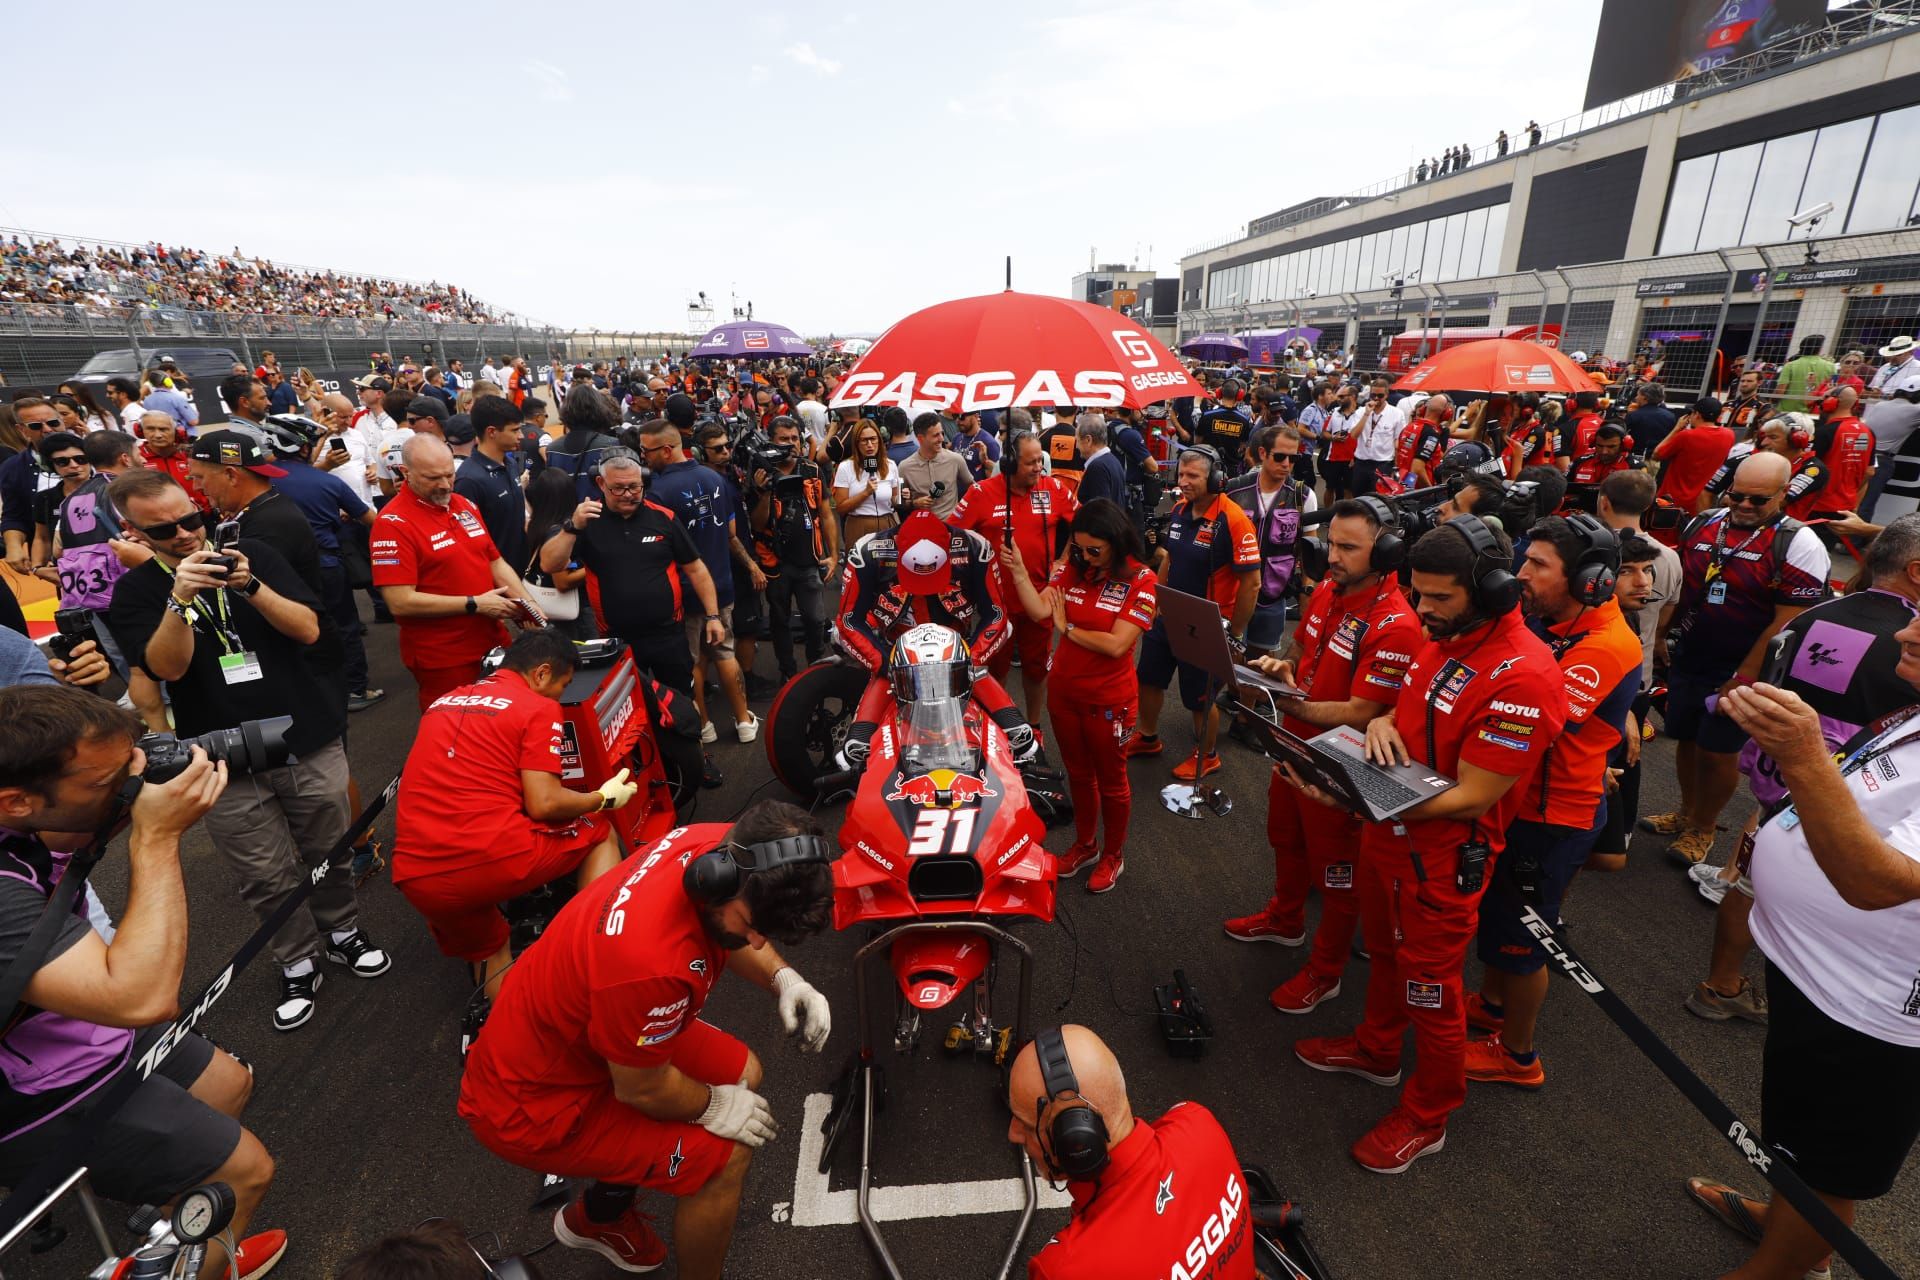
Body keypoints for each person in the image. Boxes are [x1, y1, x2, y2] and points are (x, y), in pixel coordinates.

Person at [458, 801, 837, 1280]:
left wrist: (786, 979)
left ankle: (601, 1215)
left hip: (583, 1031)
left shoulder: (720, 846)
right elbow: (641, 1089)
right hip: (532, 1100)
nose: (760, 944)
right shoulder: (649, 965)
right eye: (753, 927)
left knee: (744, 1074)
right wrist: (712, 1108)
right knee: (724, 1158)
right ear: (719, 881)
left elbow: (729, 930)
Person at [1287, 516, 1563, 1172]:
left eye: (1440, 598)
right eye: (1417, 593)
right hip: (1390, 836)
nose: (1423, 610)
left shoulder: (1523, 675)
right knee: (1383, 954)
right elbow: (1407, 719)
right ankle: (1378, 1051)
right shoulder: (1444, 641)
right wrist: (1381, 727)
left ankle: (1429, 1112)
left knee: (1431, 991)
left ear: (1491, 590)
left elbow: (1473, 795)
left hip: (1440, 862)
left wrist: (1358, 791)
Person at [0, 687, 289, 1280]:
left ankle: (181, 1238)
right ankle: (178, 1265)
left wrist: (128, 789)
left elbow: (64, 841)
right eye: (112, 778)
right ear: (17, 802)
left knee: (226, 1084)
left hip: (64, 1027)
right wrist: (157, 836)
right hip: (27, 1090)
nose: (137, 781)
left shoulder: (28, 820)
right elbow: (140, 998)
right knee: (243, 1172)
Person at [105, 468, 392, 1032]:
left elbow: (309, 630)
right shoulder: (138, 593)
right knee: (262, 871)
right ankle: (297, 958)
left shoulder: (256, 553)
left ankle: (342, 930)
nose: (186, 535)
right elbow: (167, 667)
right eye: (164, 531)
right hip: (220, 752)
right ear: (133, 532)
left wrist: (251, 587)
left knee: (330, 844)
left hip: (304, 731)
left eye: (191, 518)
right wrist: (182, 600)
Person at [1683, 655, 1920, 1280]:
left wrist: (1805, 755)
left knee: (1828, 1165)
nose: (1904, 628)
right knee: (1799, 1137)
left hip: (1867, 1009)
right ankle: (1790, 1219)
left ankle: (1789, 1263)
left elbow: (1876, 882)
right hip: (1818, 974)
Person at [1464, 515, 1640, 1089]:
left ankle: (1517, 1056)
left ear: (1588, 579)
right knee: (1500, 921)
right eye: (1525, 559)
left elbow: (1535, 720)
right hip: (1524, 808)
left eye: (1538, 565)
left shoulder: (1605, 644)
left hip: (1552, 818)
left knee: (1524, 941)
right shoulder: (1558, 625)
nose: (1522, 574)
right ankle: (1492, 1005)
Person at [1228, 497, 1423, 1012]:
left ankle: (1326, 971)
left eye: (1347, 547)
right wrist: (1277, 665)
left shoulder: (1397, 624)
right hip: (1294, 741)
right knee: (1285, 839)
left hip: (1341, 768)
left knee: (1338, 879)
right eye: (1331, 542)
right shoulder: (1329, 591)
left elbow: (1363, 711)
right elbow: (1299, 648)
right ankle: (1286, 919)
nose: (1331, 555)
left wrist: (1283, 700)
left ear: (1383, 552)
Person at [393, 631, 629, 995]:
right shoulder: (537, 706)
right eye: (562, 686)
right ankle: (599, 955)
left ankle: (497, 1034)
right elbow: (545, 803)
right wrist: (600, 798)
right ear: (541, 674)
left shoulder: (444, 702)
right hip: (491, 858)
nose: (561, 697)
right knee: (598, 828)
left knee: (492, 947)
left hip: (417, 875)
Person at [1644, 453, 1830, 865]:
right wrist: (1660, 638)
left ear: (1783, 494)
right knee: (1687, 739)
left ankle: (1704, 828)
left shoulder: (1798, 543)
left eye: (1758, 500)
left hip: (1745, 669)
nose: (1745, 506)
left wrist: (1742, 677)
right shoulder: (1704, 522)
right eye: (1738, 496)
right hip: (1690, 655)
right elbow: (1682, 589)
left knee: (1717, 751)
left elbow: (1788, 622)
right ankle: (1686, 813)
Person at [1006, 1025, 1255, 1280]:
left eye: (1025, 1124)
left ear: (1077, 1141)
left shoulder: (1065, 1270)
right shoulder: (1197, 1121)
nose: (1012, 1134)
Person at [998, 500, 1154, 890]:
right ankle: (1086, 845)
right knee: (1079, 776)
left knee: (1112, 780)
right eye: (1080, 548)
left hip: (1110, 701)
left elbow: (1118, 645)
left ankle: (1113, 856)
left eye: (1094, 550)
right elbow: (1038, 611)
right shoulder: (1073, 569)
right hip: (1064, 695)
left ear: (1117, 542)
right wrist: (1018, 570)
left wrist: (1066, 629)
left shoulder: (1142, 579)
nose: (1085, 557)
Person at [835, 509, 1032, 768]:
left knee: (1025, 743)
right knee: (852, 755)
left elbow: (997, 616)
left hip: (959, 655)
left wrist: (967, 660)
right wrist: (884, 665)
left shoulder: (975, 546)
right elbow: (847, 622)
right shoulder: (867, 550)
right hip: (895, 656)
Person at [374, 435, 541, 710]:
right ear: (405, 473)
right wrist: (475, 604)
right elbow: (399, 601)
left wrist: (529, 605)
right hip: (444, 657)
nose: (443, 485)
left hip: (493, 641)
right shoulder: (393, 523)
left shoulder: (464, 504)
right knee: (459, 730)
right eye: (432, 478)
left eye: (449, 475)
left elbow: (494, 561)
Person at [542, 449, 722, 698]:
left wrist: (713, 615)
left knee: (681, 699)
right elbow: (550, 565)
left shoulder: (663, 517)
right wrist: (572, 528)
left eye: (635, 487)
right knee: (633, 706)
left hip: (668, 634)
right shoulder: (587, 520)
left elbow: (695, 568)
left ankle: (693, 733)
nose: (628, 495)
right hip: (618, 638)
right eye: (618, 488)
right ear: (601, 483)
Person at [1126, 447, 1259, 781]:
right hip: (1169, 612)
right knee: (1149, 678)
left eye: (1192, 476)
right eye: (1181, 474)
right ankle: (1148, 736)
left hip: (1206, 624)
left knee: (1198, 698)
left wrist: (1235, 635)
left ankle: (1208, 755)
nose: (1182, 481)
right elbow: (1169, 557)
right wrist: (1156, 596)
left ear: (1215, 480)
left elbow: (1252, 583)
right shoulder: (1181, 510)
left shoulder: (1234, 520)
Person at [952, 433, 1079, 724]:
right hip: (995, 606)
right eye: (1031, 462)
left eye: (1040, 460)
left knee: (1037, 671)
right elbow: (952, 537)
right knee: (993, 674)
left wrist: (1065, 559)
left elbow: (1087, 523)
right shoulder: (981, 493)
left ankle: (1034, 728)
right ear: (1009, 464)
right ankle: (996, 730)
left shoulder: (1054, 488)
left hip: (1040, 600)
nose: (1039, 468)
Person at [641, 420, 756, 741]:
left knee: (695, 660)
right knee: (725, 652)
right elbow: (731, 533)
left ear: (666, 449)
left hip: (685, 590)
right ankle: (744, 722)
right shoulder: (715, 478)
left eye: (647, 450)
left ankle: (704, 727)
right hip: (721, 584)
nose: (643, 457)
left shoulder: (658, 493)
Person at [259, 418, 384, 713]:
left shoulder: (260, 481)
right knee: (345, 627)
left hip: (278, 568)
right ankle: (355, 689)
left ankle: (305, 690)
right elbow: (373, 521)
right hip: (327, 564)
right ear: (305, 447)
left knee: (289, 628)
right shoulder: (327, 481)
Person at [749, 417, 840, 683]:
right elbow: (756, 524)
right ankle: (787, 670)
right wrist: (764, 492)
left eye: (795, 439)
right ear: (770, 441)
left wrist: (833, 555)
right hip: (775, 563)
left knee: (815, 619)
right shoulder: (761, 472)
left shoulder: (811, 469)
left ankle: (815, 666)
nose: (791, 444)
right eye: (783, 439)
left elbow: (826, 513)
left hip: (810, 560)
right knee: (779, 619)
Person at [1223, 425, 1316, 657]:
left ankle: (1250, 695)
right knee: (1229, 656)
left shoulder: (1302, 495)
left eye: (1293, 458)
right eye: (1280, 456)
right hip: (1234, 592)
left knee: (1262, 660)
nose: (1286, 464)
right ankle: (1233, 693)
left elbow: (1310, 550)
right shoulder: (1234, 489)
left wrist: (1307, 592)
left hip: (1274, 593)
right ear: (1263, 453)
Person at [453, 395, 529, 576]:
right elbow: (468, 543)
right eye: (515, 430)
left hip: (521, 572)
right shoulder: (468, 480)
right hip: (496, 582)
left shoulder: (509, 463)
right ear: (492, 432)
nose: (521, 436)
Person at [1, 396, 62, 574]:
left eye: (53, 422)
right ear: (22, 430)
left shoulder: (95, 451)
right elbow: (13, 515)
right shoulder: (12, 467)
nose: (48, 429)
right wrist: (13, 547)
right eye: (36, 426)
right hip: (55, 561)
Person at [1653, 397, 1735, 517]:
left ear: (1697, 414)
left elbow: (1656, 454)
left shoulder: (1686, 436)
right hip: (1702, 502)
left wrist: (1676, 429)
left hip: (1671, 499)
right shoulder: (1729, 435)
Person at [544, 383, 625, 501]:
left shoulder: (552, 449)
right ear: (599, 409)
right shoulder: (612, 444)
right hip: (601, 514)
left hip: (568, 516)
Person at [832, 418, 903, 544]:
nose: (870, 445)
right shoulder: (845, 467)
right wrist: (866, 493)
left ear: (879, 441)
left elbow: (895, 501)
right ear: (857, 443)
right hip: (858, 525)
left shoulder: (891, 465)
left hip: (886, 524)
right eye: (864, 440)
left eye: (873, 439)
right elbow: (840, 508)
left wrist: (903, 496)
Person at [897, 412, 972, 519]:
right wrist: (914, 503)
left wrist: (964, 513)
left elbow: (972, 488)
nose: (942, 439)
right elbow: (898, 502)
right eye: (936, 435)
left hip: (951, 528)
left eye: (942, 433)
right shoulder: (904, 467)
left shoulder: (956, 460)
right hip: (921, 528)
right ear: (920, 438)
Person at [1348, 379, 1405, 497]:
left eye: (1380, 395)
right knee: (1358, 497)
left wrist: (1397, 466)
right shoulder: (1361, 411)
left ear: (1387, 395)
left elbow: (1398, 441)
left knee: (1377, 498)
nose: (1376, 398)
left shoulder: (1397, 413)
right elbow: (1354, 435)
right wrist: (1366, 414)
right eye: (1373, 395)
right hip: (1362, 462)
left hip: (1383, 464)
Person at [1561, 422, 1634, 514]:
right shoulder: (1579, 462)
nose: (1604, 451)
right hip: (1579, 516)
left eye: (1611, 447)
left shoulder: (1633, 467)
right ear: (1593, 443)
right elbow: (1563, 488)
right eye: (1600, 446)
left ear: (1624, 446)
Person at [1194, 381, 1253, 480]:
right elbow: (1242, 448)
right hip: (1232, 471)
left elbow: (1197, 443)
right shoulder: (1244, 420)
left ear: (1219, 393)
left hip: (1208, 467)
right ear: (1239, 395)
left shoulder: (1207, 416)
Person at [1073, 414, 1127, 509]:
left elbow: (1100, 512)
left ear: (1088, 440)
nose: (1076, 446)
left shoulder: (1097, 468)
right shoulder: (1113, 461)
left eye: (1077, 440)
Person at [1041, 403, 1086, 491]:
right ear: (1077, 410)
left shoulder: (1039, 436)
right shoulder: (1083, 440)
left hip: (1046, 492)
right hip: (1074, 495)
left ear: (1054, 408)